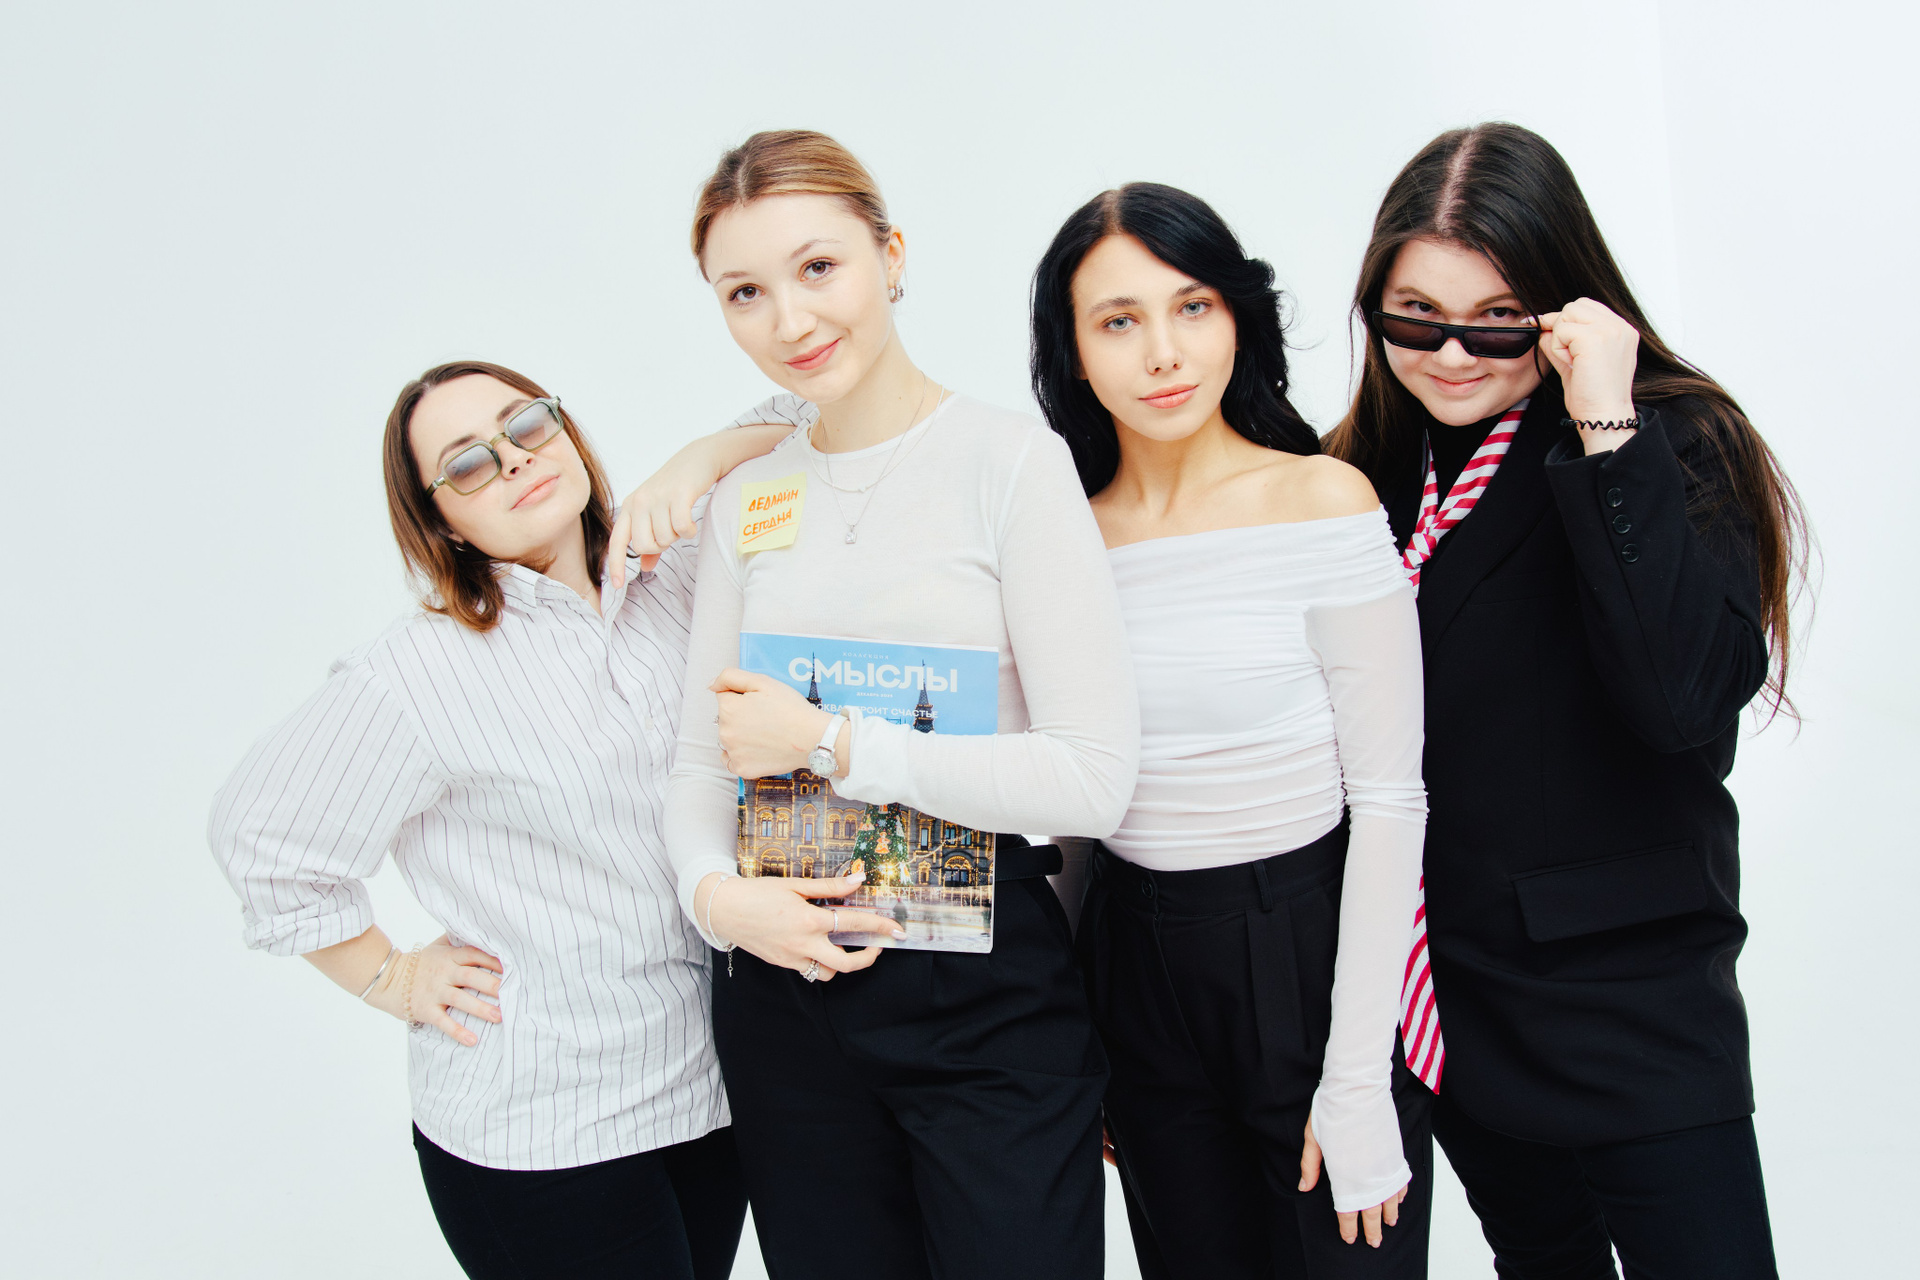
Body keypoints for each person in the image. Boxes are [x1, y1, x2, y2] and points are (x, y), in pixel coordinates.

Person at [1324, 122, 1806, 1278]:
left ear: (1562, 306)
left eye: (1496, 319)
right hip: (1451, 1004)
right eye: (1414, 316)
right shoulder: (1359, 475)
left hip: (1632, 1003)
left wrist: (1605, 428)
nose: (1451, 352)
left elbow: (1683, 700)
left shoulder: (1668, 438)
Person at [662, 130, 1140, 1280]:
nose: (788, 318)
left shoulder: (1011, 463)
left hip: (984, 983)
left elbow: (1092, 775)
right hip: (785, 992)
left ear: (892, 255)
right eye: (744, 292)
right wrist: (719, 901)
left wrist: (832, 742)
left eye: (818, 267)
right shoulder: (747, 496)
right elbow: (698, 759)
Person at [208, 360, 790, 1280]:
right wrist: (394, 978)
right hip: (544, 1132)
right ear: (441, 519)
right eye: (469, 464)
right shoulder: (418, 671)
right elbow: (259, 835)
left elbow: (814, 417)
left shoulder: (674, 573)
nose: (514, 459)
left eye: (526, 426)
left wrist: (696, 461)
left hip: (707, 1096)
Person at [1029, 182, 1431, 1279]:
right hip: (1134, 961)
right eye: (1119, 320)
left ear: (1238, 319)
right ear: (1073, 352)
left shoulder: (1323, 500)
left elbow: (1391, 798)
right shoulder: (1057, 537)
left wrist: (1357, 1078)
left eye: (1192, 307)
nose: (1164, 352)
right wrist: (1078, 1027)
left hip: (1306, 949)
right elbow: (1068, 797)